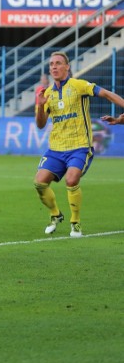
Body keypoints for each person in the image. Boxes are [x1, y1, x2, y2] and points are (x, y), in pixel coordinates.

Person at [34, 51, 124, 236]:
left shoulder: (78, 85)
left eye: (58, 63)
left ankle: (75, 223)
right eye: (51, 64)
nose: (54, 67)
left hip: (80, 146)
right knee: (39, 183)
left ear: (67, 67)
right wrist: (40, 105)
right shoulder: (47, 94)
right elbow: (41, 124)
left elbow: (106, 93)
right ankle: (56, 214)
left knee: (72, 179)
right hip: (56, 148)